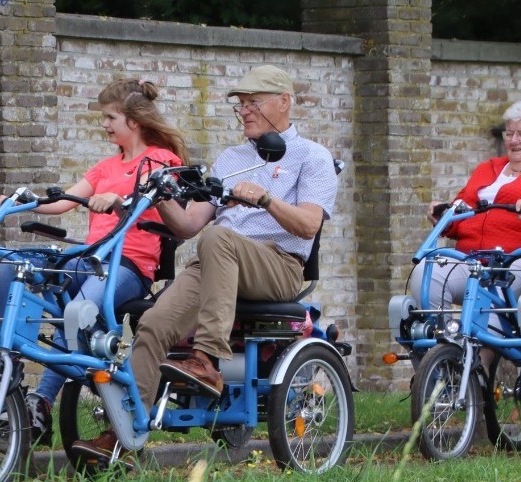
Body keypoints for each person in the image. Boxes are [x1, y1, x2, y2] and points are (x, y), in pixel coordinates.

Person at [70, 65, 339, 460]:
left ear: (284, 102)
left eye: (253, 103)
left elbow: (309, 225)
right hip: (216, 260)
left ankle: (207, 359)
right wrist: (162, 197)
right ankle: (123, 435)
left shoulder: (312, 156)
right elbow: (188, 226)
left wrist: (267, 200)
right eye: (240, 105)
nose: (244, 111)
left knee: (218, 239)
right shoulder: (230, 159)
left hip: (278, 264)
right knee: (152, 325)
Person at [0, 78, 189, 445]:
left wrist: (117, 200)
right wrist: (19, 201)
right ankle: (9, 369)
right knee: (14, 268)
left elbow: (152, 196)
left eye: (110, 117)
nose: (104, 124)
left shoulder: (162, 161)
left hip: (129, 265)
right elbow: (62, 203)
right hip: (89, 261)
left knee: (78, 311)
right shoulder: (104, 167)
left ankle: (42, 402)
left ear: (134, 121)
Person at [410, 100, 521, 325]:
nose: (514, 140)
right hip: (471, 260)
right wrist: (445, 218)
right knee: (426, 273)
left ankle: (479, 347)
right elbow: (461, 208)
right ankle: (445, 340)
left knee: (488, 299)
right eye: (509, 133)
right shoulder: (487, 168)